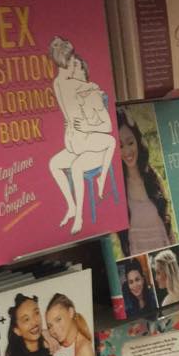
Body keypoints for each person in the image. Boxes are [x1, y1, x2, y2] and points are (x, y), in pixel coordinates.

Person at [48, 37, 116, 235]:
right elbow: (88, 86)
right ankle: (72, 207)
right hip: (80, 141)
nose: (74, 66)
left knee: (68, 164)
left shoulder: (59, 83)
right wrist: (94, 88)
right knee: (54, 164)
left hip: (78, 141)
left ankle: (78, 213)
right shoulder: (73, 85)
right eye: (72, 62)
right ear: (65, 61)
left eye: (77, 64)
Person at [117, 108, 174, 257]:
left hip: (167, 258)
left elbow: (168, 228)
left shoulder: (153, 177)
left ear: (137, 141)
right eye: (120, 146)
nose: (127, 151)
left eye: (130, 142)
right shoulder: (117, 190)